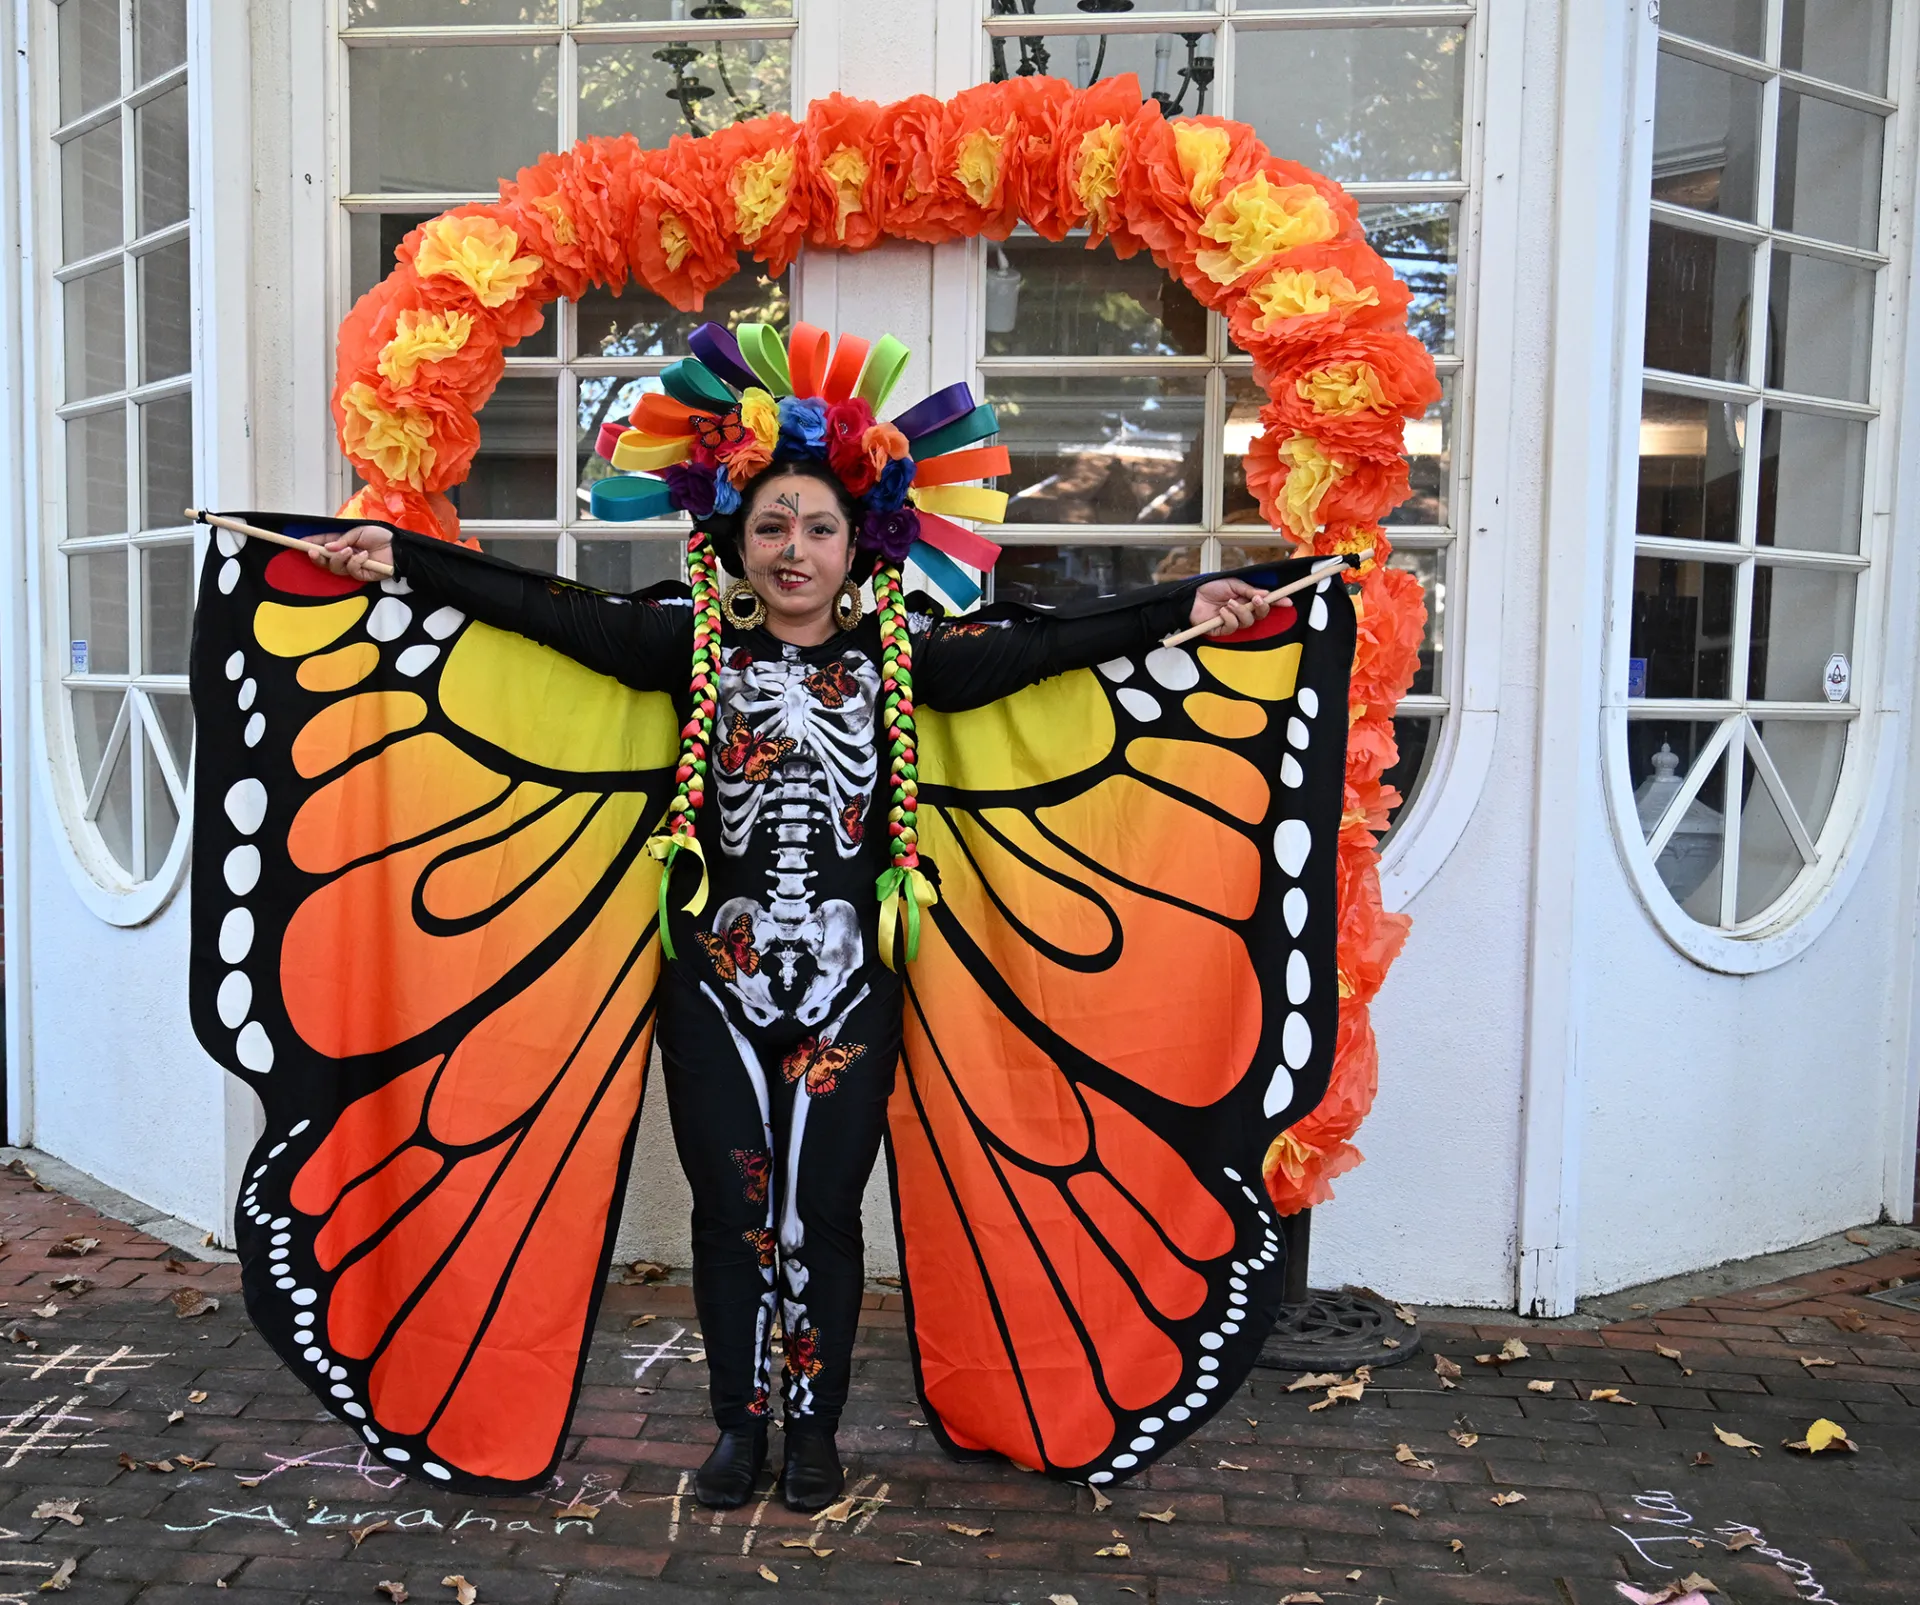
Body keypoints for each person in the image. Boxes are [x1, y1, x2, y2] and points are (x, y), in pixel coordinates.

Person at [307, 363, 1272, 1513]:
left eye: (819, 526)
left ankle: (813, 1430)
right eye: (772, 524)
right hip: (712, 987)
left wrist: (1185, 609)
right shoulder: (690, 647)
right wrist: (399, 563)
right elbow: (546, 612)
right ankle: (737, 1426)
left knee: (820, 1215)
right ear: (734, 538)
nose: (795, 548)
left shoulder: (901, 661)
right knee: (732, 1213)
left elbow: (1046, 647)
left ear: (860, 542)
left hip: (851, 993)